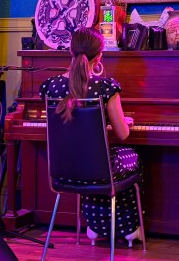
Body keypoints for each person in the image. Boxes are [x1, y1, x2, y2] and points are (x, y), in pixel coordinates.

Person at [39, 26, 142, 244]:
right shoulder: (105, 86)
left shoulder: (50, 87)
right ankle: (129, 228)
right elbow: (123, 134)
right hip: (97, 168)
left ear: (70, 52)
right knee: (128, 157)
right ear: (100, 56)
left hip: (63, 169)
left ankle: (95, 227)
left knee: (94, 163)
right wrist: (122, 122)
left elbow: (71, 126)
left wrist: (96, 126)